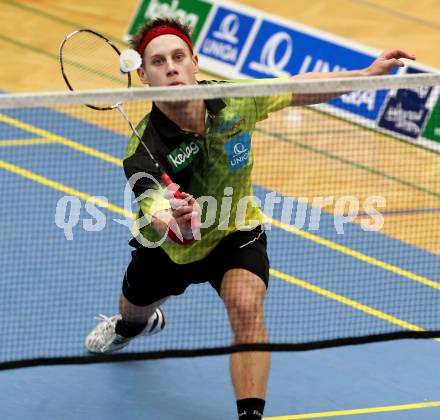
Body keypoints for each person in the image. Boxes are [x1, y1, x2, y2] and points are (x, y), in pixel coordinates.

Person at [85, 17, 415, 420]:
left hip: (235, 230)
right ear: (143, 73)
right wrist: (175, 221)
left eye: (178, 57)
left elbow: (298, 87)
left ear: (195, 61)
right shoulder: (142, 150)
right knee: (132, 313)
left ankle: (250, 416)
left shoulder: (238, 99)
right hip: (169, 252)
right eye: (158, 61)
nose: (170, 67)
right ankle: (134, 326)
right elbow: (154, 210)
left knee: (246, 307)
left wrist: (365, 75)